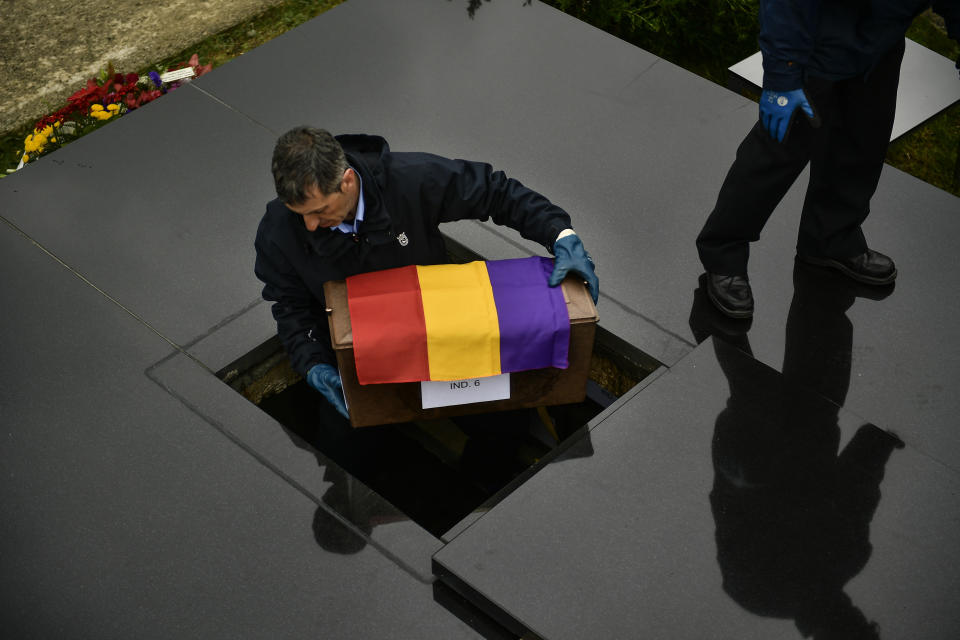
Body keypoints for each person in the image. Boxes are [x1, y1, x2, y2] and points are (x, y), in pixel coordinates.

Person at [255, 127, 599, 417]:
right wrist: (313, 363)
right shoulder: (278, 231)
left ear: (346, 181)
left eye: (319, 210)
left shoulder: (410, 178)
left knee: (505, 419)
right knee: (347, 443)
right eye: (300, 213)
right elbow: (289, 306)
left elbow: (496, 192)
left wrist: (560, 235)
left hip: (441, 333)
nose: (311, 225)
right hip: (361, 354)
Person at [696, 1, 960, 319]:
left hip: (880, 43)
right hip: (812, 48)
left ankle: (831, 238)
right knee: (775, 155)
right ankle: (723, 255)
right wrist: (782, 77)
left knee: (862, 144)